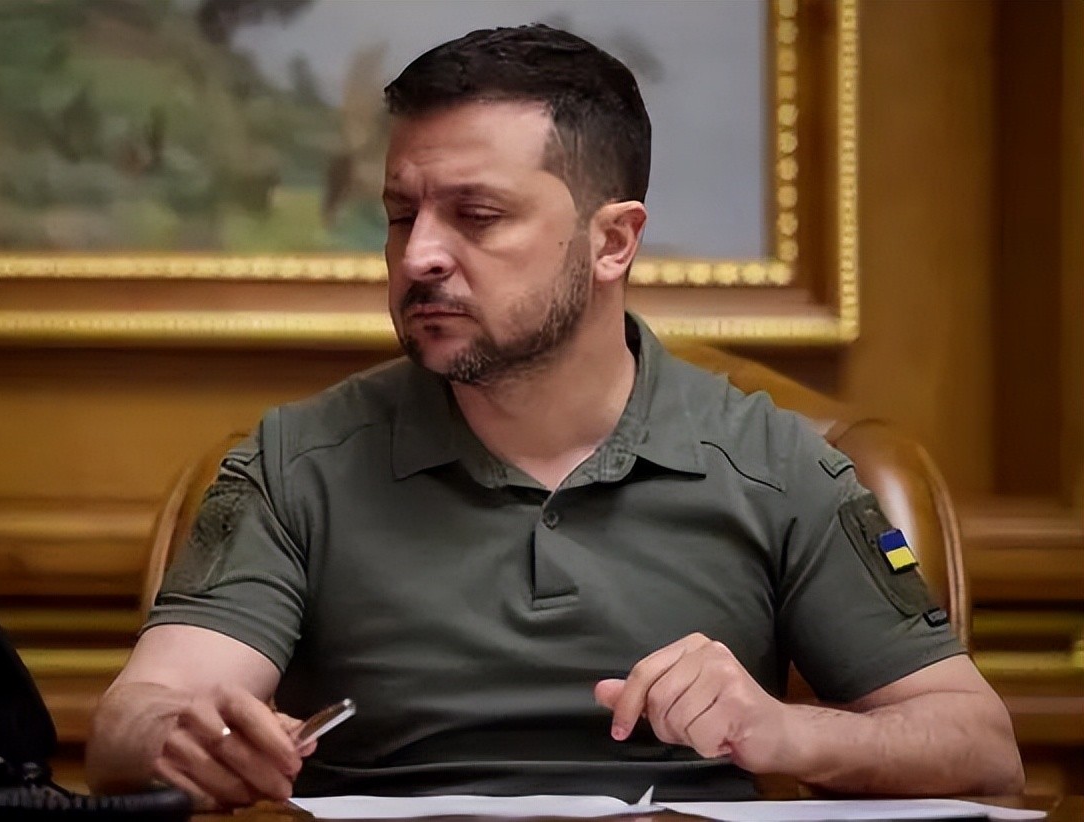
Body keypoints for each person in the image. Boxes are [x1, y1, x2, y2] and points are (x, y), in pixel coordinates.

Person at [86, 25, 1023, 809]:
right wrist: (180, 738)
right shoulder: (297, 461)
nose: (419, 257)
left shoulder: (777, 464)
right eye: (402, 215)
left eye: (477, 216)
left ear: (612, 241)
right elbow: (141, 713)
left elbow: (980, 746)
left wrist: (785, 732)